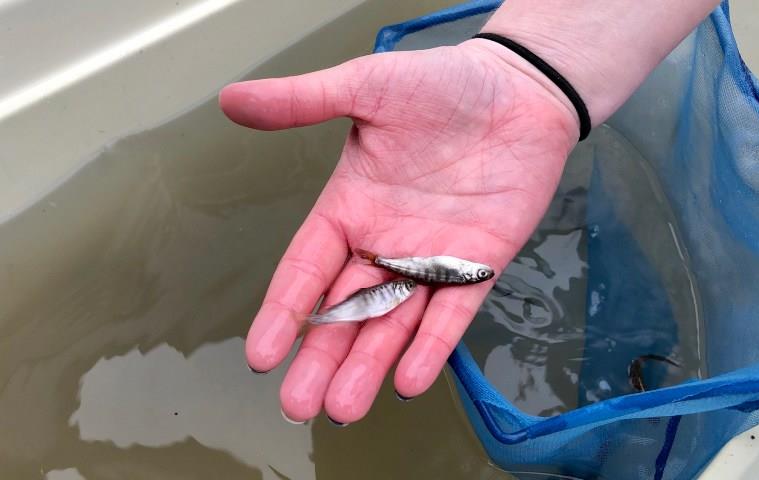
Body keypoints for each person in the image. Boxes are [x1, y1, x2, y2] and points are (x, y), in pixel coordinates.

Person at [218, 0, 721, 425]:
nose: (478, 274)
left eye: (478, 274)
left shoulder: (418, 275)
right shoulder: (423, 276)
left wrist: (533, 74)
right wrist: (533, 62)